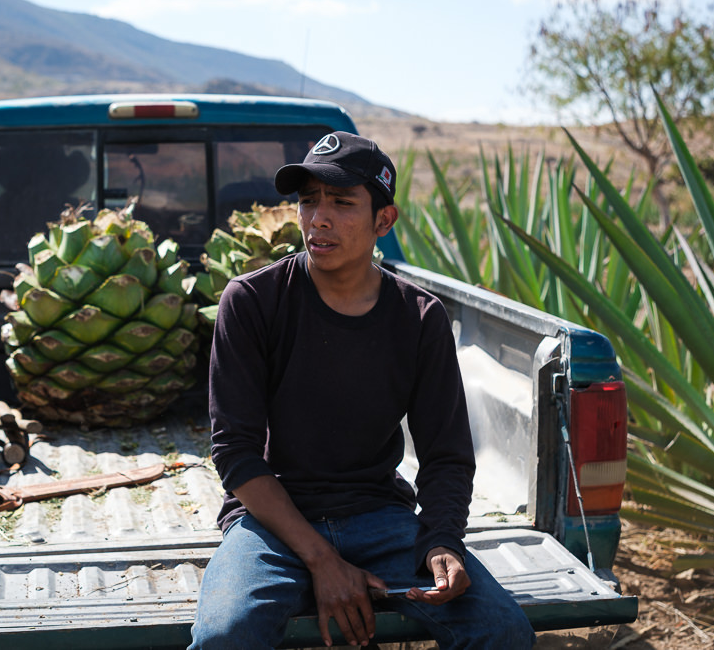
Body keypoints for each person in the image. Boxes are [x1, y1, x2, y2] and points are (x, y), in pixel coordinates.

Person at [188, 132, 535, 649]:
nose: (318, 219)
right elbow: (236, 455)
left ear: (384, 221)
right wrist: (324, 561)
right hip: (272, 523)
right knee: (223, 635)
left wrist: (442, 541)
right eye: (308, 201)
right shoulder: (253, 301)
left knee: (503, 630)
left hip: (380, 518)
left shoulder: (419, 317)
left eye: (342, 202)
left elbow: (445, 454)